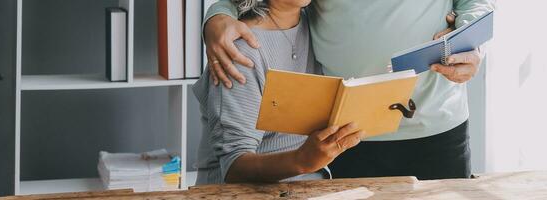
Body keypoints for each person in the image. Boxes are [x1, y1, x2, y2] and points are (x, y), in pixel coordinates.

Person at [203, 0, 493, 180]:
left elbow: (475, 4)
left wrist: (470, 45)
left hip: (437, 125)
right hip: (347, 133)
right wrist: (216, 16)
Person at [193, 0, 364, 184]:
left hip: (310, 187)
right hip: (237, 193)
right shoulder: (242, 49)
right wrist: (301, 160)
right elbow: (234, 167)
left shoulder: (318, 29)